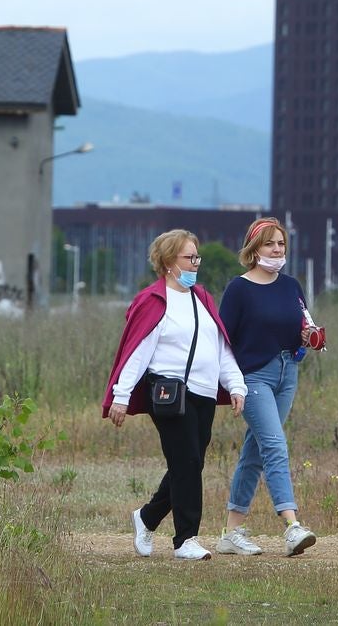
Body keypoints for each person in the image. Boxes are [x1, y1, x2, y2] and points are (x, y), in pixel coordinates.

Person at [101, 229, 246, 561]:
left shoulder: (203, 299)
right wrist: (120, 395)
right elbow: (136, 352)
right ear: (168, 262)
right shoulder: (154, 302)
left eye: (197, 257)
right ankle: (186, 540)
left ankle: (147, 517)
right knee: (188, 462)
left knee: (190, 463)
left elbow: (220, 347)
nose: (196, 264)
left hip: (205, 394)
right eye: (189, 258)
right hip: (169, 393)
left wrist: (235, 384)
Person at [215, 216, 323, 557]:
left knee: (255, 451)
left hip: (287, 372)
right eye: (269, 243)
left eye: (281, 244)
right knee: (275, 445)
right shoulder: (239, 289)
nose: (277, 249)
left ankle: (231, 532)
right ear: (253, 248)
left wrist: (307, 339)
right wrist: (232, 385)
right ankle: (291, 525)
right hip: (253, 377)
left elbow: (301, 330)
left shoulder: (291, 286)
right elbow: (222, 341)